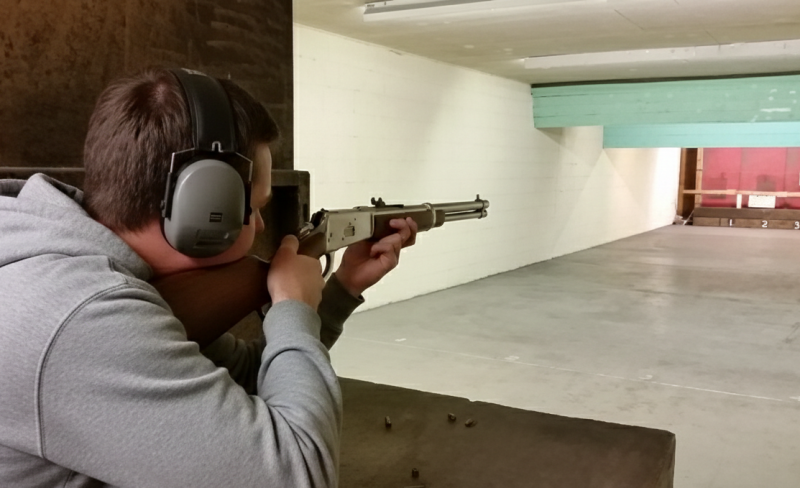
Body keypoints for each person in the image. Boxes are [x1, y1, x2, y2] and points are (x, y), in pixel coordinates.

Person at [0, 67, 417, 487]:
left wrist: (339, 291)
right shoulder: (80, 316)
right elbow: (297, 475)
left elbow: (248, 380)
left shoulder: (72, 268)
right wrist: (292, 306)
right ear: (204, 208)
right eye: (253, 209)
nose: (258, 226)